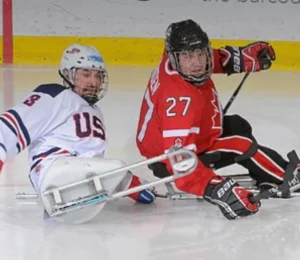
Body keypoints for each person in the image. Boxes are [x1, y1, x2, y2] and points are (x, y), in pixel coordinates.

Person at [136, 19, 299, 220]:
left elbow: (207, 59)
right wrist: (217, 189)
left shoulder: (176, 60)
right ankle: (285, 176)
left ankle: (267, 172)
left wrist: (243, 58)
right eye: (188, 56)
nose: (196, 63)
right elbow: (179, 163)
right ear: (176, 57)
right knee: (240, 143)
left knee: (237, 125)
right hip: (167, 155)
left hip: (174, 137)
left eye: (199, 53)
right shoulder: (179, 103)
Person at [0, 43, 155, 223]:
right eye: (86, 74)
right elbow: (10, 127)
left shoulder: (94, 111)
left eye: (98, 76)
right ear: (68, 75)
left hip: (81, 180)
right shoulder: (55, 96)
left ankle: (125, 182)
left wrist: (129, 185)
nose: (94, 82)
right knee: (116, 166)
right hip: (55, 172)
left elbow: (93, 163)